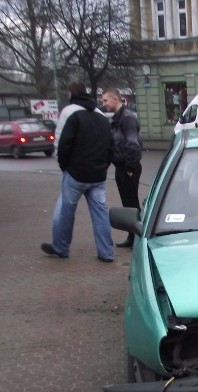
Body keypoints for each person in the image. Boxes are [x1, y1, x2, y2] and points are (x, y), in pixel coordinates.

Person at [41, 83, 115, 262]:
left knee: (65, 210)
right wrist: (103, 166)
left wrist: (64, 166)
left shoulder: (69, 112)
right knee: (100, 213)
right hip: (97, 174)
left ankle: (61, 246)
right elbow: (110, 146)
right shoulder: (101, 116)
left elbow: (62, 143)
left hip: (75, 173)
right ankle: (106, 252)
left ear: (69, 93)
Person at [102, 89, 143, 248]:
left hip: (127, 168)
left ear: (115, 99)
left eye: (105, 100)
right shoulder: (119, 119)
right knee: (128, 204)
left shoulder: (126, 119)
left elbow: (133, 145)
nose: (103, 104)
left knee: (131, 204)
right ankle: (132, 237)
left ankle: (137, 237)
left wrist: (129, 167)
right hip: (123, 167)